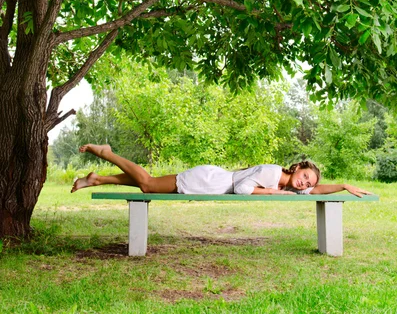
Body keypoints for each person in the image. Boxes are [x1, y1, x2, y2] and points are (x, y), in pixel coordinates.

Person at [71, 144, 371, 197]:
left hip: (213, 179)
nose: (306, 183)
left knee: (149, 184)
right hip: (209, 181)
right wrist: (268, 192)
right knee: (148, 184)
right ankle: (107, 153)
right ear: (297, 168)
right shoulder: (271, 174)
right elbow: (242, 188)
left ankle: (96, 179)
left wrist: (342, 186)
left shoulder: (286, 182)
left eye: (308, 182)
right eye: (305, 175)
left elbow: (316, 191)